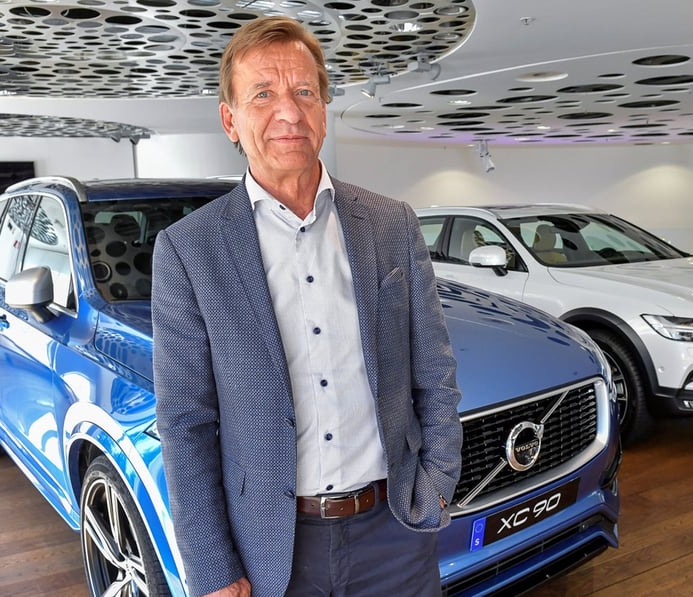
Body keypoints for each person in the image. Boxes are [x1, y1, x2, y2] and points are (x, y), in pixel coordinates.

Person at [151, 15, 463, 597]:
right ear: (230, 120)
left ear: (322, 109)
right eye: (262, 95)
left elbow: (435, 372)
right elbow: (185, 424)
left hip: (393, 532)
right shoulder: (189, 249)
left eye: (303, 92)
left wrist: (437, 481)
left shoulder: (391, 224)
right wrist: (214, 570)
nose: (288, 113)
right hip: (270, 548)